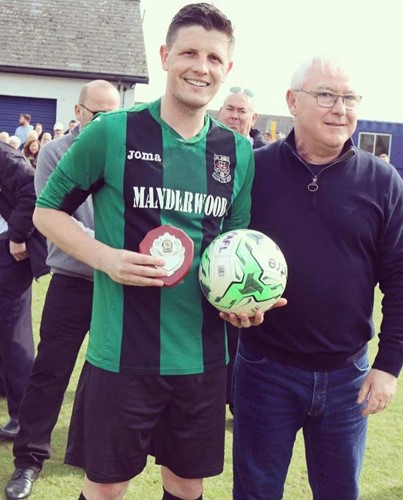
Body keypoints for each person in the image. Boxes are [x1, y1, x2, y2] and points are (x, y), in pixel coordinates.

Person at [33, 4, 260, 500]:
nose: (201, 67)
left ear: (227, 69)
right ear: (164, 56)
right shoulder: (113, 131)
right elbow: (45, 212)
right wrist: (105, 258)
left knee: (185, 485)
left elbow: (233, 248)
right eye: (189, 53)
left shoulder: (236, 152)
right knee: (106, 487)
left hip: (201, 356)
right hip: (122, 355)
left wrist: (243, 303)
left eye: (214, 58)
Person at [232, 56, 403, 500]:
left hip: (347, 378)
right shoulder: (254, 171)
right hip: (265, 371)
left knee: (339, 492)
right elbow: (223, 253)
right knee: (255, 492)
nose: (341, 108)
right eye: (326, 95)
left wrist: (389, 366)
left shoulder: (383, 181)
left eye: (350, 98)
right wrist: (230, 307)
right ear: (292, 102)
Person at [4, 80, 120, 500]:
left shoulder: (126, 151)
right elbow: (56, 218)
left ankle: (93, 457)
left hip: (117, 283)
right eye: (97, 113)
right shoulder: (55, 153)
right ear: (78, 110)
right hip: (74, 281)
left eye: (113, 112)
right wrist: (111, 252)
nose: (105, 121)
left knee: (107, 375)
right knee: (51, 371)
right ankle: (29, 461)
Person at [0, 142, 49, 442]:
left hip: (8, 251)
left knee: (13, 332)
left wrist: (18, 236)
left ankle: (22, 416)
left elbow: (34, 191)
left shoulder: (5, 155)